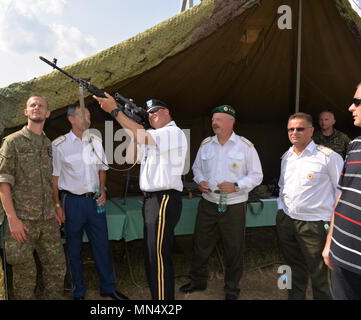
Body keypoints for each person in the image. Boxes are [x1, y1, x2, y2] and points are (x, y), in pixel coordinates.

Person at [93, 93, 188, 300]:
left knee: (158, 258)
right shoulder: (151, 135)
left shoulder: (173, 132)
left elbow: (143, 137)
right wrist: (133, 128)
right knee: (151, 255)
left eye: (154, 111)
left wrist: (115, 111)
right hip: (151, 200)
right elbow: (130, 157)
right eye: (148, 113)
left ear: (166, 112)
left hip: (164, 198)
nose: (150, 115)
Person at [179, 105, 263, 300]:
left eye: (219, 119)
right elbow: (197, 167)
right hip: (208, 202)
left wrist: (236, 185)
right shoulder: (206, 144)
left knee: (234, 249)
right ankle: (198, 281)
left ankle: (232, 289)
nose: (214, 123)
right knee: (201, 245)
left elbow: (257, 175)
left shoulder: (245, 146)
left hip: (234, 205)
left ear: (231, 122)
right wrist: (199, 181)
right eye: (213, 119)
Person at [52, 104, 128, 300]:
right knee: (74, 247)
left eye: (89, 116)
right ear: (71, 119)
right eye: (83, 115)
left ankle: (108, 288)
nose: (88, 119)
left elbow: (102, 169)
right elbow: (54, 178)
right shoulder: (59, 144)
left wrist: (103, 189)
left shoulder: (95, 141)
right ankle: (78, 291)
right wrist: (57, 205)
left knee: (102, 245)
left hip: (94, 202)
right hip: (73, 202)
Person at [0, 96, 65, 300]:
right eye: (32, 105)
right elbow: (3, 182)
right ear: (26, 112)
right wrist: (12, 219)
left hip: (48, 220)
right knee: (25, 275)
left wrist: (57, 205)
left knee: (57, 267)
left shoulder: (48, 145)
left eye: (41, 105)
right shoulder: (13, 142)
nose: (37, 108)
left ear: (47, 113)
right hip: (23, 222)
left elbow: (50, 181)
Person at [277, 112, 344, 300]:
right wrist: (280, 210)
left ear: (311, 130)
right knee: (289, 268)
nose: (294, 132)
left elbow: (341, 192)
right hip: (287, 221)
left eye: (300, 128)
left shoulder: (328, 157)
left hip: (314, 225)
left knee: (320, 275)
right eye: (291, 129)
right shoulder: (287, 157)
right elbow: (282, 187)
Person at [323, 83, 361, 299]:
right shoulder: (355, 145)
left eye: (357, 101)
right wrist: (330, 243)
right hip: (341, 257)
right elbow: (342, 195)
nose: (350, 107)